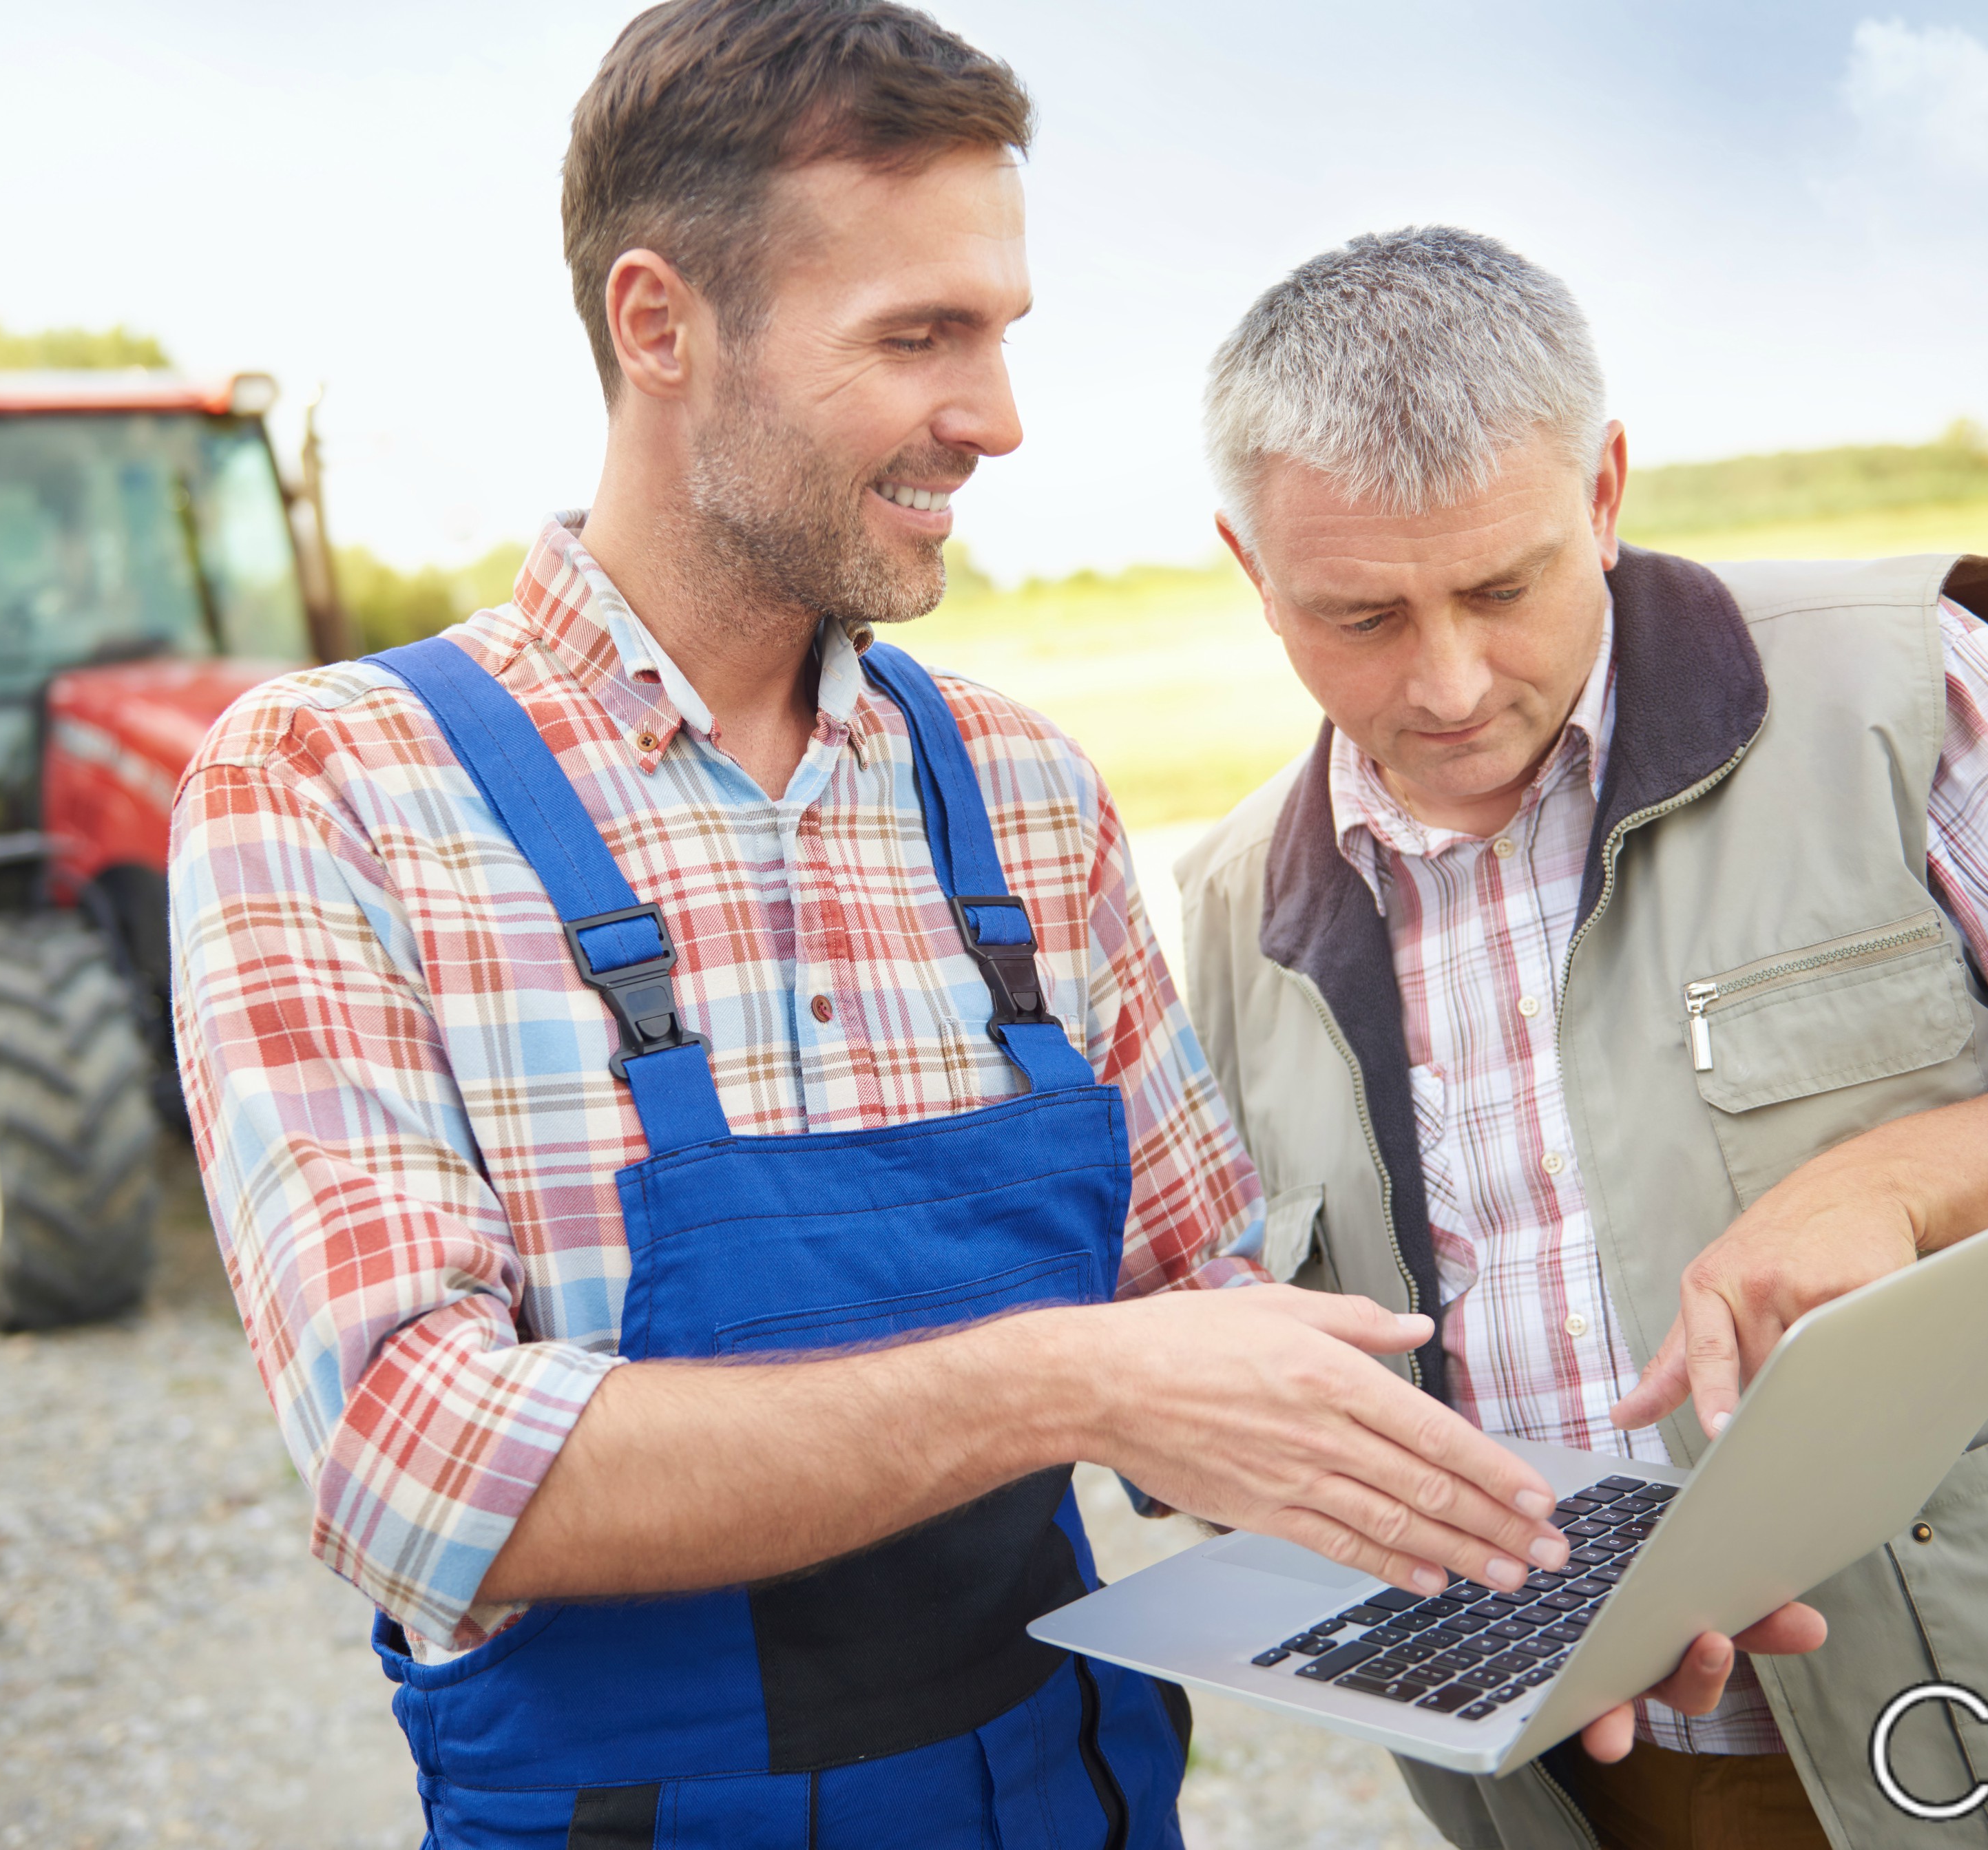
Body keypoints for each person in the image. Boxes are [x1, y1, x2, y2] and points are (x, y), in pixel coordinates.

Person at [170, 10, 1642, 1844]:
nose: (998, 418)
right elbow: (417, 1466)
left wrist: (1566, 1570)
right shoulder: (336, 789)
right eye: (919, 337)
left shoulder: (1021, 794)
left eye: (1001, 329)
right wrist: (1063, 1381)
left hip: (1070, 1798)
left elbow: (1205, 1332)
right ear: (661, 327)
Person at [1177, 226, 1988, 1850]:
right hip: (1584, 1779)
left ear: (1604, 487)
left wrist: (1911, 1179)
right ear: (1246, 567)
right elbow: (1221, 1341)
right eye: (1358, 617)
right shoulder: (1217, 911)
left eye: (1502, 586)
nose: (1451, 681)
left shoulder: (1895, 685)